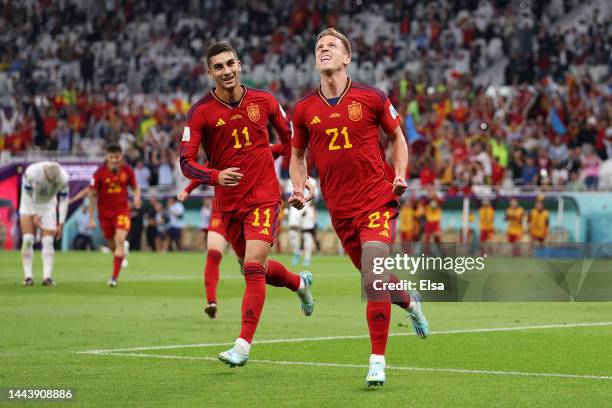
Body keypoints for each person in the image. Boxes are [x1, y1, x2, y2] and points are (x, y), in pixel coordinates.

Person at [289, 28, 429, 387]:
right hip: (340, 209)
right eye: (319, 46)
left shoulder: (372, 98)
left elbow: (398, 137)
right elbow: (296, 155)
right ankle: (410, 301)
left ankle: (377, 361)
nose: (323, 49)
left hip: (378, 199)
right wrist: (299, 185)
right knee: (374, 276)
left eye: (331, 46)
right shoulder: (304, 109)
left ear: (346, 58)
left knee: (372, 278)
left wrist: (399, 174)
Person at [179, 42, 314, 366]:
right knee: (255, 270)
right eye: (219, 67)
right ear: (209, 72)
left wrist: (277, 164)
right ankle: (299, 282)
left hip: (264, 196)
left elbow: (292, 142)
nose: (226, 71)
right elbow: (186, 162)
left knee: (252, 268)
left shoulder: (264, 101)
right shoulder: (200, 112)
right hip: (228, 205)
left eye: (230, 64)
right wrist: (214, 175)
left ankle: (242, 345)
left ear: (239, 65)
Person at [178, 142, 289, 319]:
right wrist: (187, 189)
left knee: (252, 267)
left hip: (251, 211)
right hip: (222, 211)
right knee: (214, 253)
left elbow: (288, 146)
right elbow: (205, 171)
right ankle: (211, 301)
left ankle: (297, 282)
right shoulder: (223, 149)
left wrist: (301, 175)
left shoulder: (262, 148)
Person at [89, 144, 141, 287]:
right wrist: (91, 218)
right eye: (111, 157)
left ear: (121, 156)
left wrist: (136, 198)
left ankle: (114, 278)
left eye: (117, 157)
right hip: (104, 214)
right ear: (107, 157)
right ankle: (121, 252)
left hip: (121, 211)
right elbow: (92, 195)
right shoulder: (99, 173)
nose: (114, 160)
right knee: (112, 244)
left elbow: (136, 187)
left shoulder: (127, 171)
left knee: (120, 239)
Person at [19, 161, 69, 286]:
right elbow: (26, 194)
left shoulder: (64, 178)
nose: (51, 183)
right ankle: (28, 277)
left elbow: (63, 200)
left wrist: (61, 223)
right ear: (45, 172)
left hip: (47, 206)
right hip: (28, 204)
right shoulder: (31, 172)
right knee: (28, 239)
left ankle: (47, 277)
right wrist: (33, 214)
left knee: (48, 241)